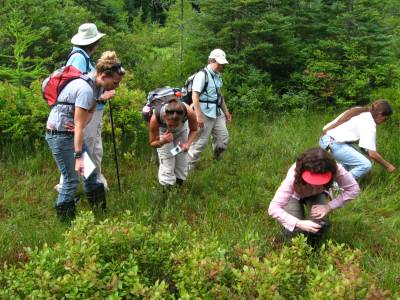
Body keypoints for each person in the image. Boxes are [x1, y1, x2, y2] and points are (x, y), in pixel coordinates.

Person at [46, 51, 125, 221]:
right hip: (60, 136)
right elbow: (80, 125)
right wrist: (78, 156)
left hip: (71, 135)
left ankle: (100, 214)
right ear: (104, 75)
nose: (116, 86)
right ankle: (67, 225)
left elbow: (87, 117)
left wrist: (100, 100)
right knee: (71, 180)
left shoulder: (95, 86)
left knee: (90, 174)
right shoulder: (85, 90)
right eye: (115, 82)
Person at [55, 23, 114, 192]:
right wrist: (102, 96)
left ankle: (94, 181)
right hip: (86, 111)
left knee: (94, 147)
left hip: (92, 110)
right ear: (94, 43)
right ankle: (73, 185)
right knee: (85, 146)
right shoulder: (79, 58)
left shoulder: (82, 56)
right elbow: (79, 88)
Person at [268, 148, 360, 245]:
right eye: (311, 180)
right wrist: (298, 223)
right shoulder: (293, 176)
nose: (314, 185)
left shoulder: (335, 169)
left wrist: (329, 206)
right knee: (295, 230)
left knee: (319, 225)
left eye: (321, 180)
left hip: (317, 194)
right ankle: (289, 239)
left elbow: (353, 189)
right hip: (293, 195)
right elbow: (273, 208)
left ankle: (313, 245)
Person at [319, 99, 395, 180]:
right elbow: (372, 154)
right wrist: (388, 166)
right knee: (365, 164)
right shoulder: (369, 123)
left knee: (352, 161)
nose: (384, 121)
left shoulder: (359, 111)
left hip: (326, 140)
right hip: (333, 144)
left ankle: (330, 182)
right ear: (380, 114)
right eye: (385, 118)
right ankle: (338, 186)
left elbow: (364, 148)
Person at [187, 49, 232, 170]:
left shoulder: (217, 76)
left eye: (222, 64)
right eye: (219, 63)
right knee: (199, 143)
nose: (221, 66)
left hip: (217, 112)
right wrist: (198, 115)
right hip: (203, 112)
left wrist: (226, 112)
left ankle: (217, 158)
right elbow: (194, 95)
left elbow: (219, 96)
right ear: (211, 61)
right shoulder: (202, 75)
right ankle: (187, 169)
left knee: (223, 139)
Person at [149, 98, 198, 186]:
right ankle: (167, 190)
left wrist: (187, 144)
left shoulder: (189, 112)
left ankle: (179, 186)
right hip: (163, 133)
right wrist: (163, 141)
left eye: (175, 125)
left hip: (181, 132)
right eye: (170, 124)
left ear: (183, 118)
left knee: (181, 158)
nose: (172, 127)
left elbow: (194, 130)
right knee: (168, 160)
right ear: (164, 116)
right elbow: (152, 143)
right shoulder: (155, 117)